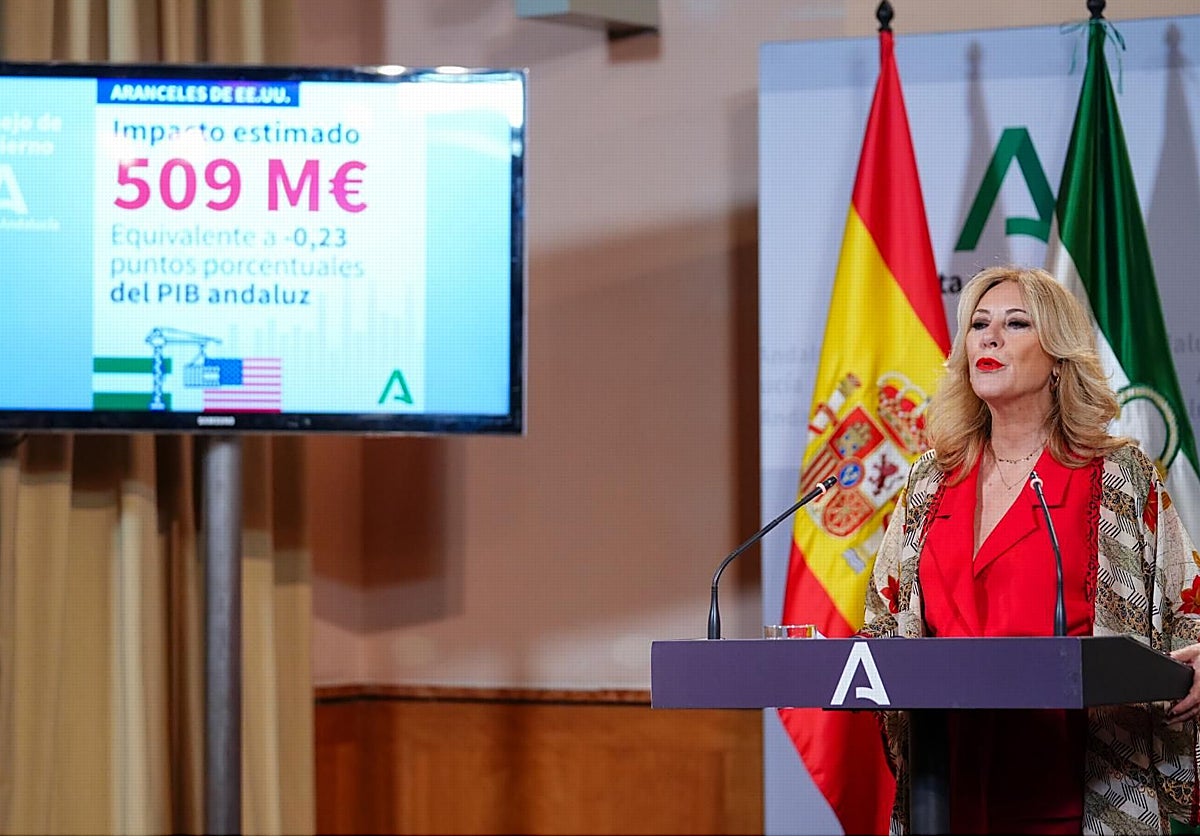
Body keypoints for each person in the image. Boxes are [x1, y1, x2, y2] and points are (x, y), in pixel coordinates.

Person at [858, 265, 1200, 835]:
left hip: (1081, 792)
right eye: (979, 325)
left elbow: (1187, 608)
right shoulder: (929, 481)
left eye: (1016, 324)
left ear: (1059, 359)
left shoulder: (1115, 476)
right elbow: (883, 625)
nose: (989, 338)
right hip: (946, 789)